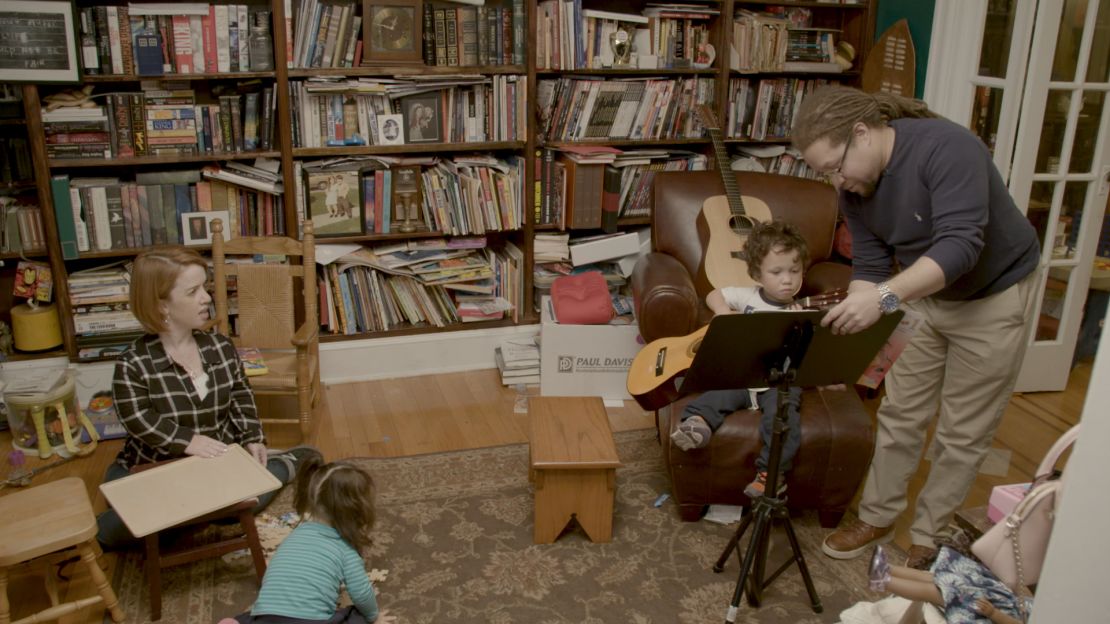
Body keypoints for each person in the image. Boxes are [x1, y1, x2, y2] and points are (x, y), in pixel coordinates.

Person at [791, 85, 1040, 569]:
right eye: (826, 174)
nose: (837, 181)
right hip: (920, 294)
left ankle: (930, 533)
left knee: (962, 430)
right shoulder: (854, 186)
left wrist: (883, 298)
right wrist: (858, 304)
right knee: (902, 412)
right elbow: (869, 258)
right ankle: (878, 515)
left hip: (992, 295)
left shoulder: (948, 149)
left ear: (862, 134)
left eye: (836, 166)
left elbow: (960, 246)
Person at [96, 246, 317, 549]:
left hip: (217, 466)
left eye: (205, 287)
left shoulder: (220, 347)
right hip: (160, 466)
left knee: (241, 505)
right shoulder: (132, 363)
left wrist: (253, 436)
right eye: (193, 291)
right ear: (161, 305)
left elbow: (241, 394)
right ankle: (163, 507)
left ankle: (289, 461)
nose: (207, 298)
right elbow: (137, 419)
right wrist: (189, 441)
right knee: (110, 533)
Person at [669, 220, 808, 498]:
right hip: (743, 375)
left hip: (778, 382)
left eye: (795, 271)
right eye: (776, 272)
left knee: (783, 419)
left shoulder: (804, 308)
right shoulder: (747, 296)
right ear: (757, 274)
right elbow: (714, 294)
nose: (787, 279)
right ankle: (698, 425)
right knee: (718, 396)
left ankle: (770, 474)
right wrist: (722, 311)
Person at [222, 456, 395, 624]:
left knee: (249, 617)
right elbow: (362, 594)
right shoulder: (345, 550)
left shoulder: (296, 534)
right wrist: (373, 617)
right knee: (356, 615)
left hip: (266, 615)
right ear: (356, 513)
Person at [868, 545, 1030, 624]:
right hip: (1005, 602)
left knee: (944, 590)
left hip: (997, 615)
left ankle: (884, 581)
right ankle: (888, 569)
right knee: (942, 577)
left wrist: (994, 614)